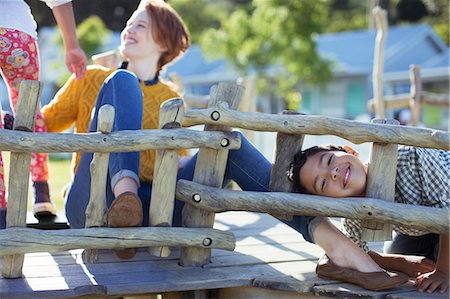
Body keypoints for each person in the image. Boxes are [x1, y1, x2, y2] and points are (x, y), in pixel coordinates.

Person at [42, 0, 408, 291]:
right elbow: (44, 125)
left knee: (228, 142)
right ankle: (126, 195)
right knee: (121, 80)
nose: (128, 28)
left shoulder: (172, 97)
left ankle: (333, 243)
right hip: (92, 202)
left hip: (155, 207)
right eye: (129, 23)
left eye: (140, 24)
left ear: (165, 44)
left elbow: (173, 164)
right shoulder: (92, 78)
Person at [289, 144, 449, 293]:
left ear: (350, 151)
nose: (333, 173)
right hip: (428, 227)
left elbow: (447, 211)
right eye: (323, 183)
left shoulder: (409, 160)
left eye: (330, 160)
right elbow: (356, 252)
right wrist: (402, 262)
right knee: (398, 252)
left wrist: (443, 271)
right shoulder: (353, 212)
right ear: (328, 201)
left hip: (445, 210)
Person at [0, 0, 87, 226]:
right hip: (16, 33)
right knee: (28, 109)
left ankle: (1, 208)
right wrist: (72, 46)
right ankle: (42, 194)